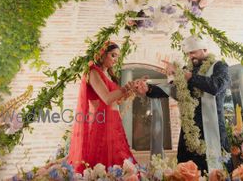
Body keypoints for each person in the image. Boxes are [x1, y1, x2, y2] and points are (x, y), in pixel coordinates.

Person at [135, 35, 231, 174]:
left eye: (193, 52)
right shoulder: (188, 69)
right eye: (188, 53)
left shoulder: (219, 66)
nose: (190, 56)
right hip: (189, 129)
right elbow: (171, 89)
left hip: (213, 128)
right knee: (185, 170)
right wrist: (148, 89)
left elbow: (217, 86)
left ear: (204, 49)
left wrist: (189, 77)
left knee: (216, 171)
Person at [67, 41, 146, 173]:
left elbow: (116, 100)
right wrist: (126, 88)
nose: (116, 60)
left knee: (120, 162)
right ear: (102, 54)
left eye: (117, 57)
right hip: (103, 124)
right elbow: (107, 98)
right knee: (105, 163)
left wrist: (131, 89)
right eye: (113, 55)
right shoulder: (93, 72)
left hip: (114, 121)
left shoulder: (107, 75)